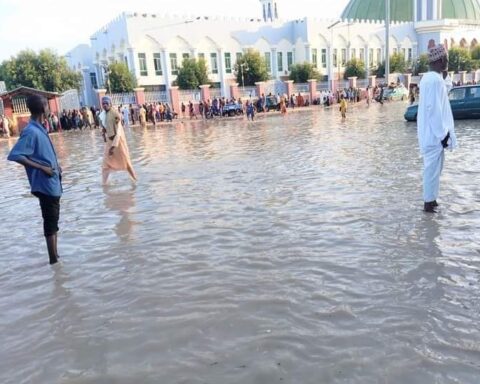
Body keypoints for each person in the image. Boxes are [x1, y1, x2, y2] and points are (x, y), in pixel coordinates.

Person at [7, 95, 63, 265]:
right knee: (50, 221)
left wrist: (55, 166)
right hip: (45, 185)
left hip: (52, 182)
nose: (49, 108)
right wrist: (42, 167)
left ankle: (56, 256)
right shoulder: (31, 131)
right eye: (47, 105)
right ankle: (53, 260)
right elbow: (15, 155)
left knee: (53, 220)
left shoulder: (40, 128)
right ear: (43, 108)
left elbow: (42, 153)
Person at [417, 44, 457, 213]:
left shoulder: (431, 78)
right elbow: (433, 109)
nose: (447, 62)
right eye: (446, 59)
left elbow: (443, 93)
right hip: (434, 136)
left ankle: (432, 201)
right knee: (432, 171)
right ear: (440, 60)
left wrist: (446, 77)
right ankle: (428, 205)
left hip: (431, 135)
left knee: (435, 170)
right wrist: (443, 135)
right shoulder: (433, 80)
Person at [100, 96, 137, 184]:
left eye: (106, 103)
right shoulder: (105, 114)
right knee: (105, 164)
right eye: (103, 104)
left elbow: (118, 131)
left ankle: (135, 180)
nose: (105, 105)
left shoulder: (115, 114)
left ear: (110, 104)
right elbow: (107, 126)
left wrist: (113, 147)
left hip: (118, 143)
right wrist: (104, 131)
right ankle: (104, 185)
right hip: (109, 142)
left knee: (126, 163)